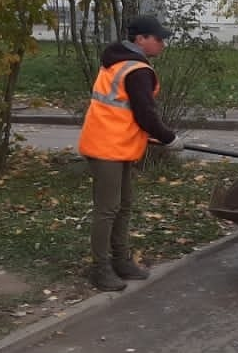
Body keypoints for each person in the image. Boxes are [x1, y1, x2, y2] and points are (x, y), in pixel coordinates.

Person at [77, 15, 182, 291]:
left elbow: (124, 111)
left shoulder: (118, 62)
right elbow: (146, 114)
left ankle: (121, 261)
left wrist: (150, 135)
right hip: (107, 147)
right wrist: (169, 138)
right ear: (141, 40)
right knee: (108, 209)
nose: (163, 44)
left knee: (123, 205)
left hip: (116, 143)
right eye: (158, 39)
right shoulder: (135, 69)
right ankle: (100, 269)